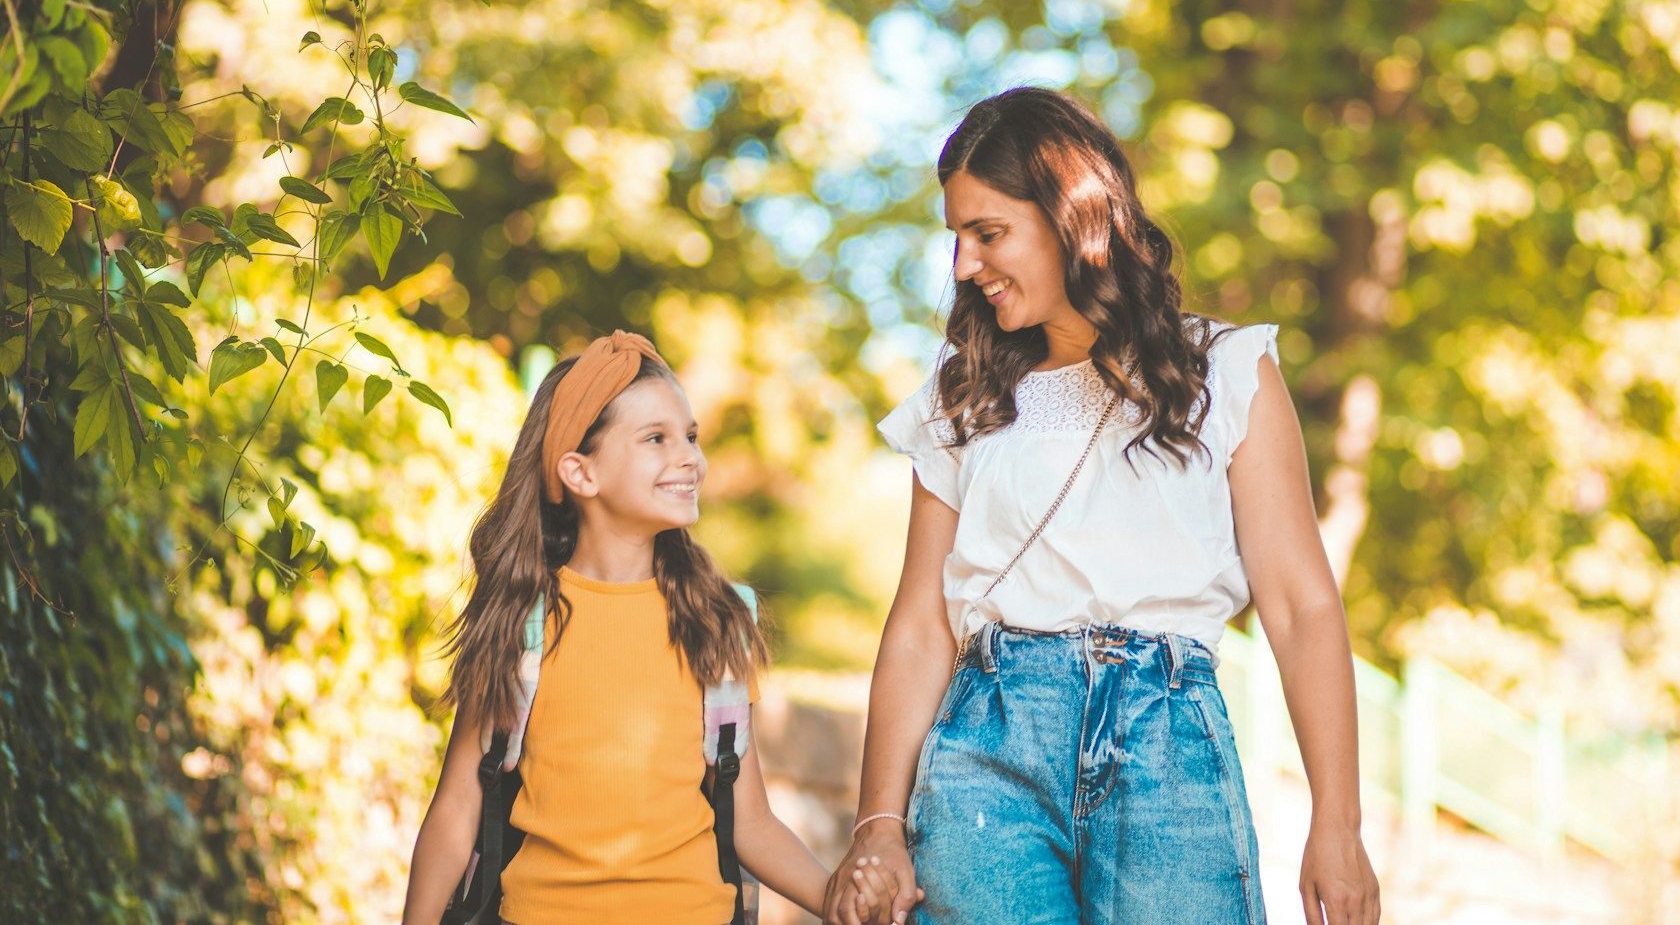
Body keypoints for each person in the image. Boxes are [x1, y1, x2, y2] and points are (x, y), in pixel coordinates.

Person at [823, 88, 1382, 925]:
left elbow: (1302, 608)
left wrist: (1337, 825)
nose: (965, 267)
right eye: (957, 239)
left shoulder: (1225, 373)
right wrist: (877, 825)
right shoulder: (962, 393)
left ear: (1068, 217)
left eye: (988, 234)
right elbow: (918, 625)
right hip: (990, 748)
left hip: (1170, 745)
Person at [401, 331, 884, 924]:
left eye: (689, 436)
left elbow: (750, 822)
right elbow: (456, 810)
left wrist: (835, 897)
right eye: (656, 439)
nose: (689, 457)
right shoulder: (523, 622)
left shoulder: (716, 622)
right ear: (581, 473)